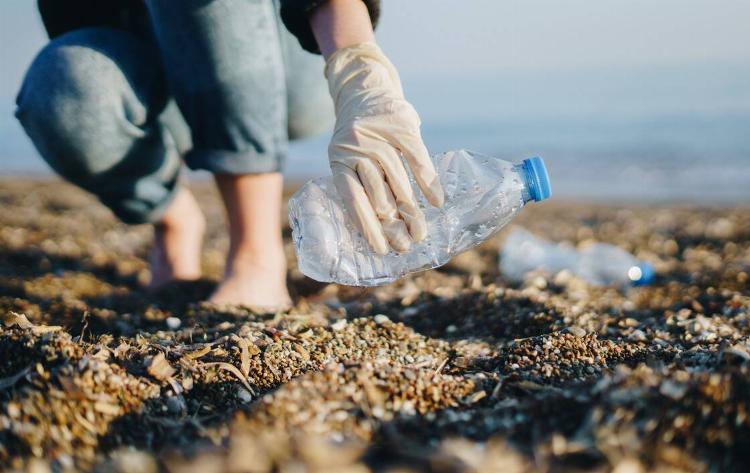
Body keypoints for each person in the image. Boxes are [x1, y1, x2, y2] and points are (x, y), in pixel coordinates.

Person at [16, 0, 443, 312]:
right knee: (61, 88)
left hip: (284, 55)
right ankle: (173, 216)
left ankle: (255, 250)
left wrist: (357, 68)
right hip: (170, 76)